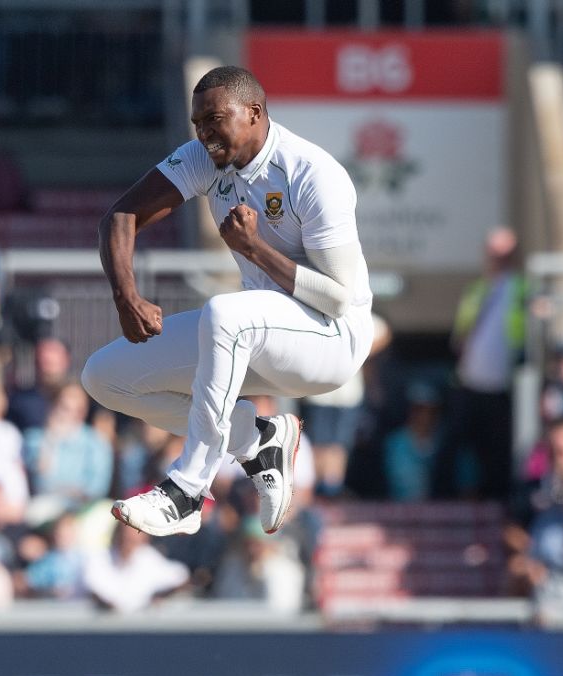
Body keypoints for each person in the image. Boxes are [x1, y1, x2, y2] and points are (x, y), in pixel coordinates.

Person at [82, 66, 374, 537]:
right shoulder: (204, 157)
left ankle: (187, 492)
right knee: (105, 377)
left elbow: (339, 300)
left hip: (333, 341)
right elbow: (120, 217)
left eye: (214, 120)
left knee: (225, 314)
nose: (204, 135)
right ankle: (256, 439)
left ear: (255, 112)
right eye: (197, 123)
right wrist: (126, 296)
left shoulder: (313, 173)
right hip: (258, 334)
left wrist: (255, 249)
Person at [433, 226, 526, 500]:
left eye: (503, 254)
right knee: (455, 441)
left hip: (501, 382)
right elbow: (460, 335)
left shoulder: (522, 288)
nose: (497, 259)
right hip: (470, 379)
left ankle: (495, 494)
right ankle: (445, 495)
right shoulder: (478, 289)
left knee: (496, 446)